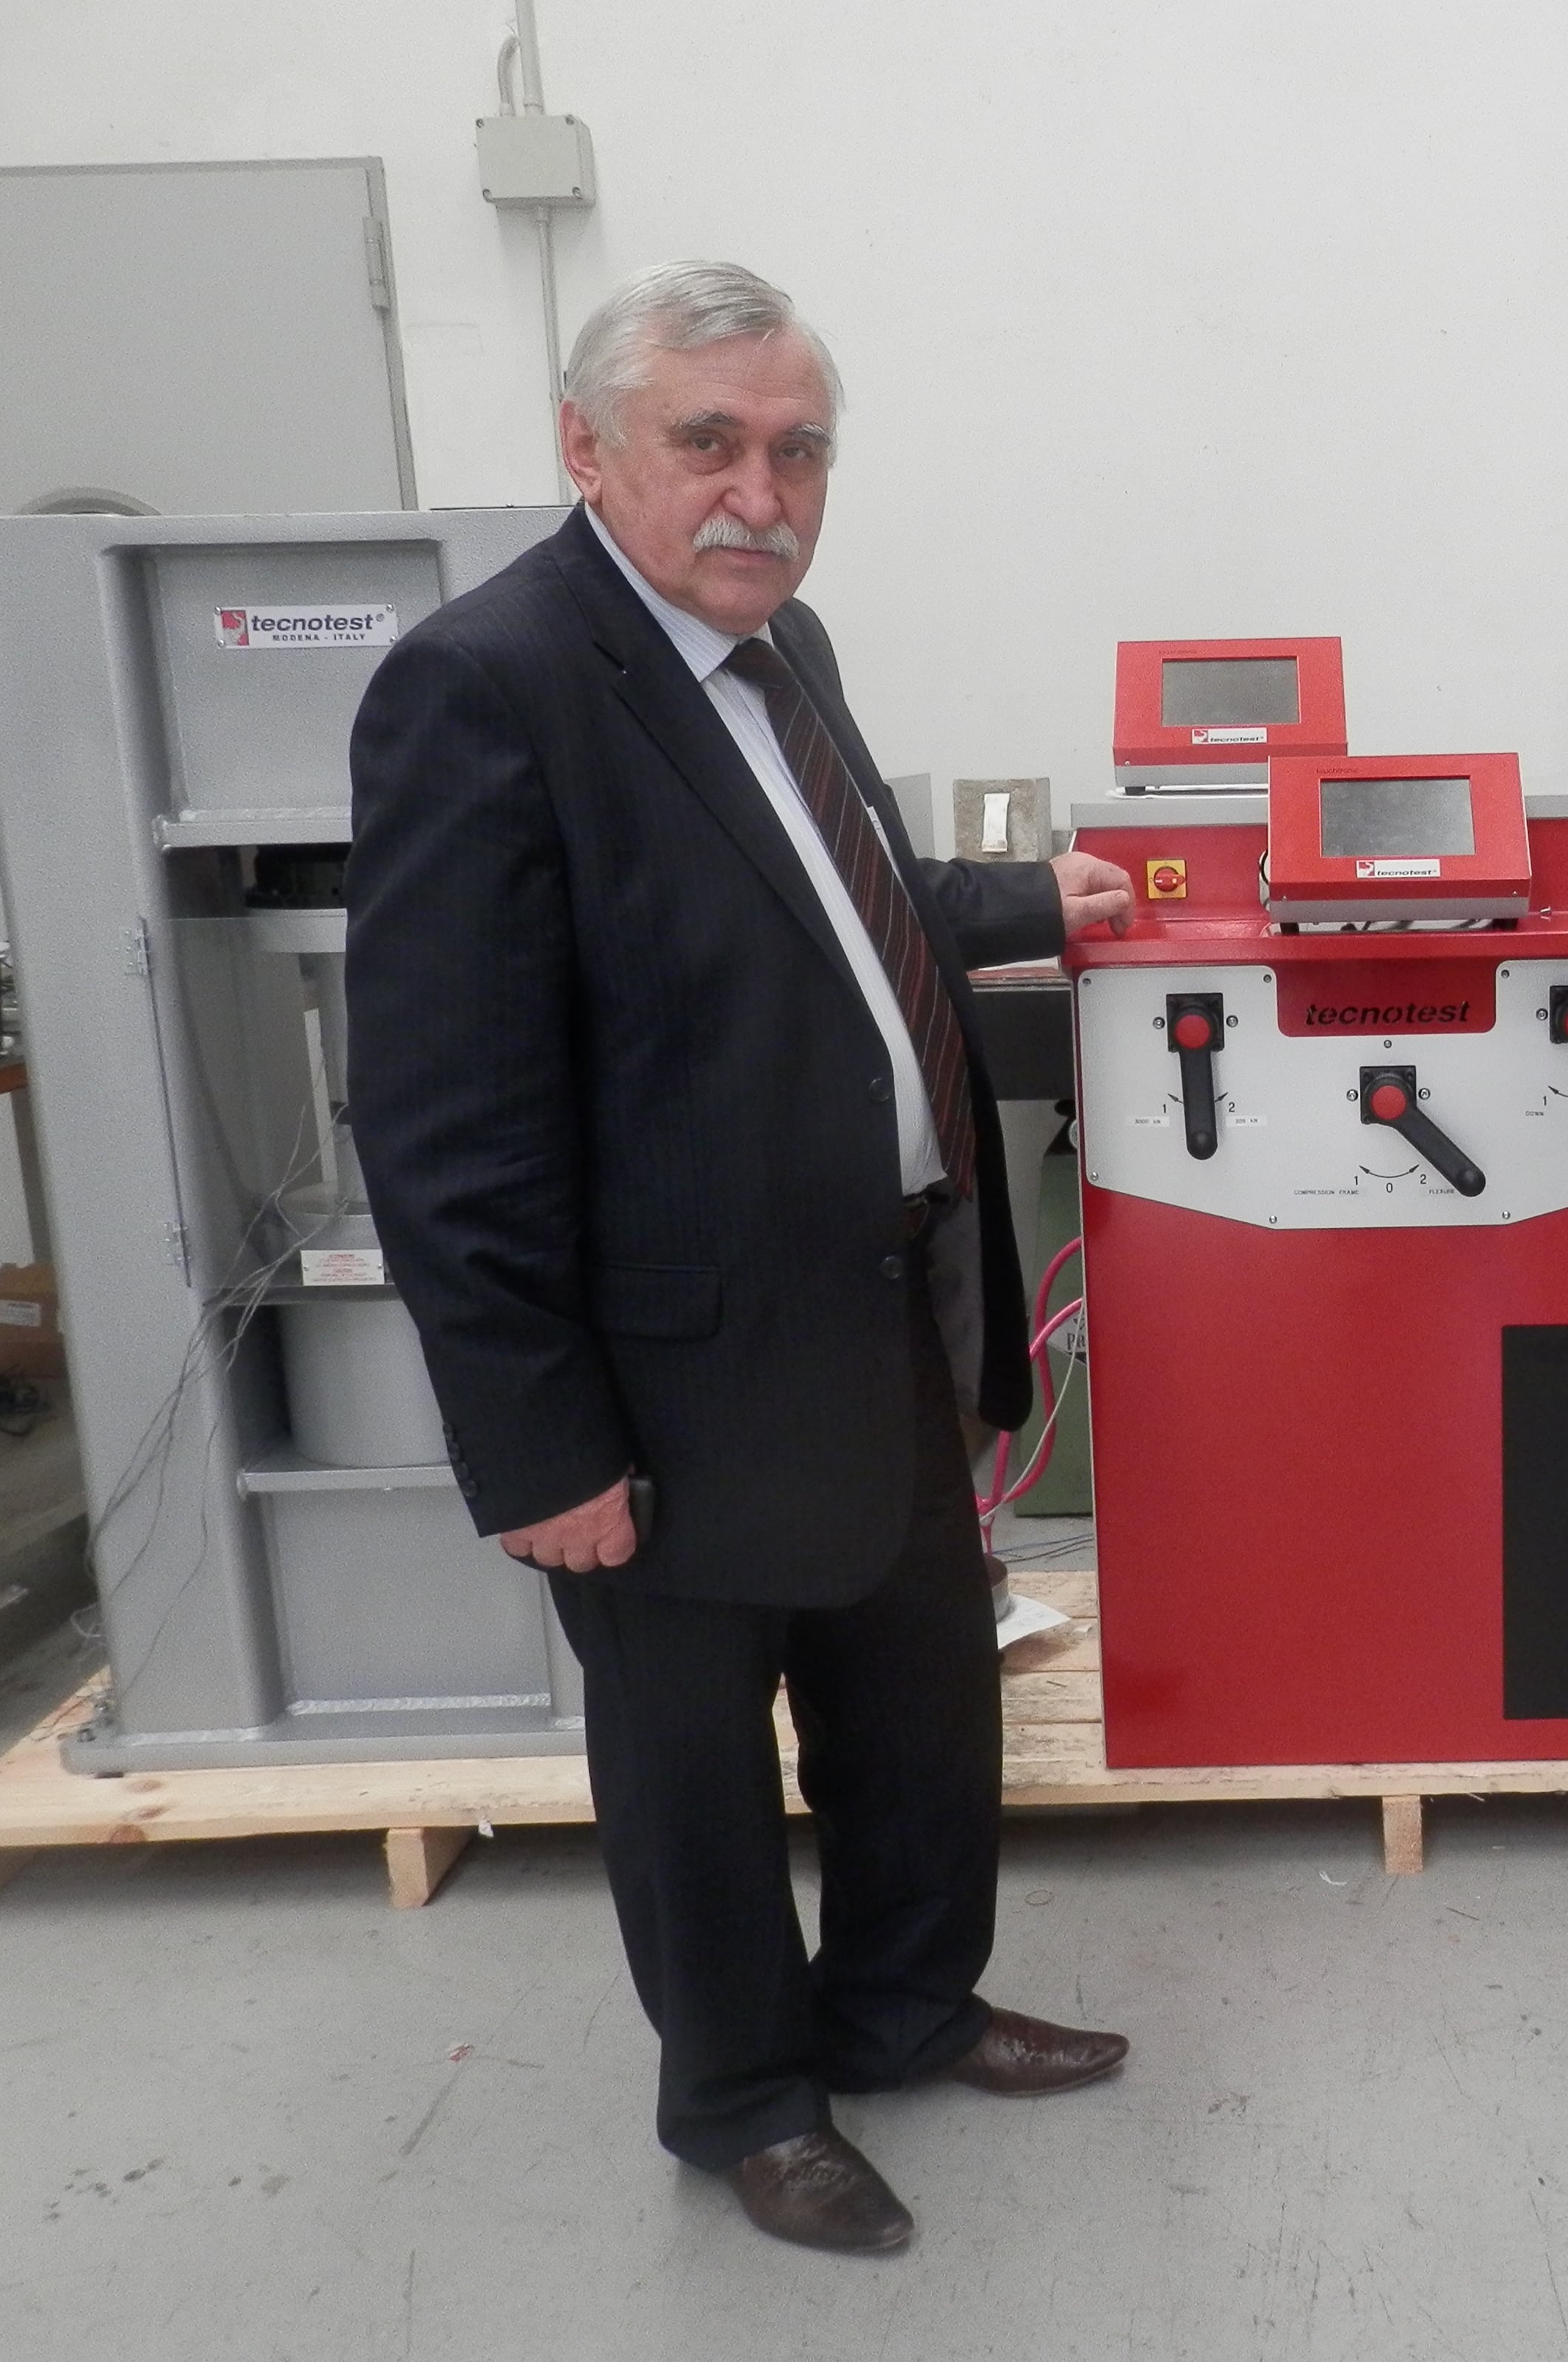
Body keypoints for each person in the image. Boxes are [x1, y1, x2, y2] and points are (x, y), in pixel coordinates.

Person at [344, 259, 1139, 2251]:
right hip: (669, 1381)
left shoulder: (783, 654)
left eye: (798, 452)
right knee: (695, 1771)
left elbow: (835, 900)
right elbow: (444, 1122)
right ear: (587, 446)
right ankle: (744, 2100)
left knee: (919, 1712)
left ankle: (903, 2007)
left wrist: (1027, 898)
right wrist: (540, 1448)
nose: (759, 494)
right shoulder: (489, 686)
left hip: (882, 1316)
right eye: (708, 442)